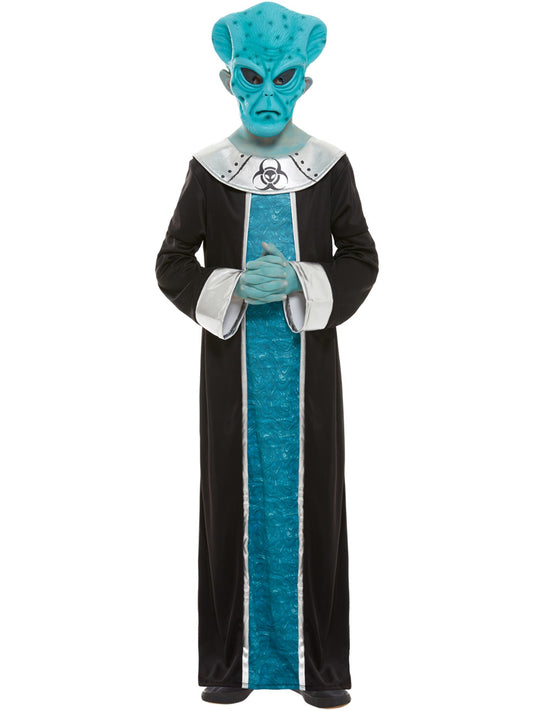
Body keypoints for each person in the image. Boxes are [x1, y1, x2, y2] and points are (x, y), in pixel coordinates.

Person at [155, 2, 379, 707]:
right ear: (229, 81)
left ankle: (321, 670)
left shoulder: (330, 166)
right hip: (234, 373)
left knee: (318, 503)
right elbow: (171, 261)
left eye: (283, 80)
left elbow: (361, 258)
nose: (267, 96)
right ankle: (229, 665)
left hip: (309, 371)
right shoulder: (209, 168)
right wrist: (226, 285)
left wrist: (299, 280)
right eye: (251, 78)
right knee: (230, 500)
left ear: (303, 84)